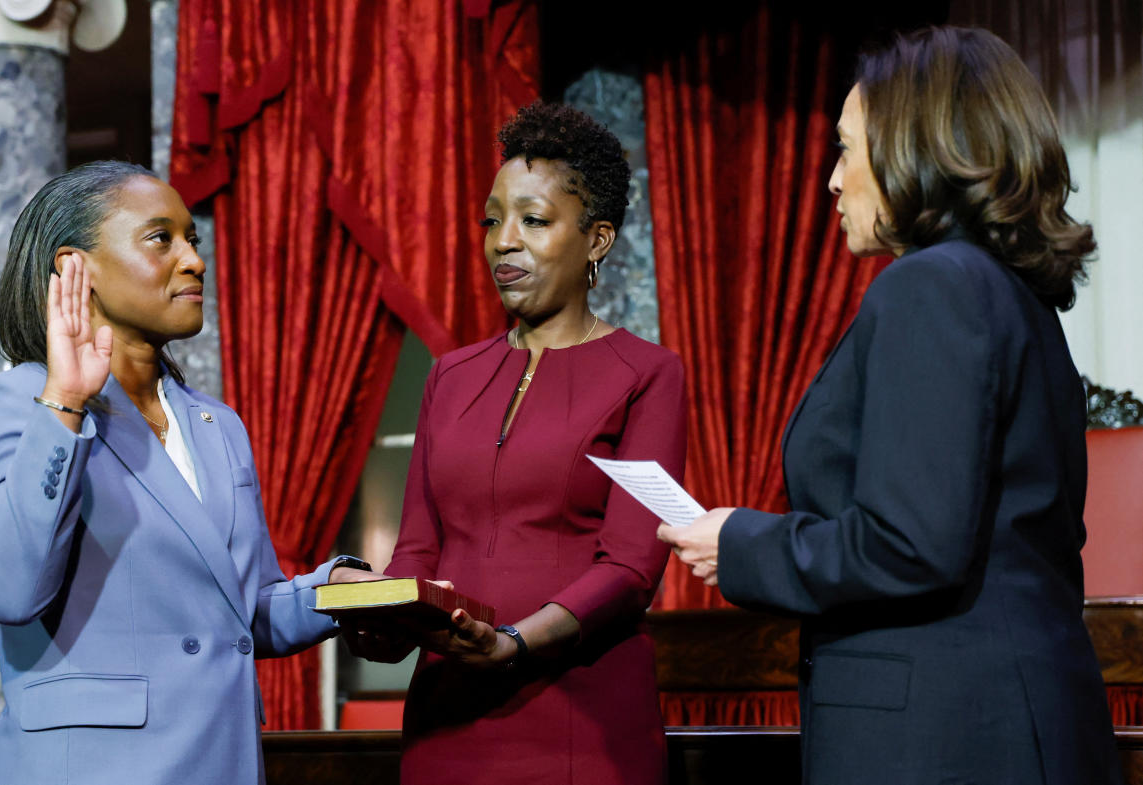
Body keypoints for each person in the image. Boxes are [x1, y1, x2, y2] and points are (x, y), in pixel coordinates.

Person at [659, 26, 1123, 785]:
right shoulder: (1015, 297)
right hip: (1016, 719)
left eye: (845, 148)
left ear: (917, 147)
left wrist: (740, 543)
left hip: (942, 736)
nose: (832, 181)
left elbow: (910, 543)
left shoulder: (929, 285)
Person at [0, 160, 376, 785]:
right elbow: (7, 591)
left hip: (221, 761)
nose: (194, 260)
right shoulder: (16, 403)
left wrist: (338, 592)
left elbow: (240, 612)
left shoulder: (218, 424)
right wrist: (65, 403)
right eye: (161, 239)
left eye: (193, 240)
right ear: (76, 268)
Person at [347, 102, 687, 785]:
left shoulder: (649, 373)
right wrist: (382, 616)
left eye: (533, 220)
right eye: (492, 219)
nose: (504, 240)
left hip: (580, 719)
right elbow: (417, 548)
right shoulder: (449, 374)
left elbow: (629, 567)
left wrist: (512, 643)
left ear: (596, 239)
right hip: (448, 716)